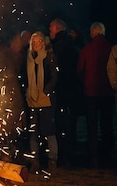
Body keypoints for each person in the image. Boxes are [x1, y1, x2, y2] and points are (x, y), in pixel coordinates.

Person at [77, 22, 114, 168]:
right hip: (107, 93)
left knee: (92, 126)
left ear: (93, 32)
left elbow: (80, 71)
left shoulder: (87, 50)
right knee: (107, 125)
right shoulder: (111, 49)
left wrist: (85, 82)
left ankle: (93, 157)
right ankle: (108, 154)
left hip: (91, 93)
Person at [21, 31, 59, 173]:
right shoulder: (29, 58)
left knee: (49, 131)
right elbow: (25, 76)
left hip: (46, 100)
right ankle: (35, 160)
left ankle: (52, 159)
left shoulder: (49, 57)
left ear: (43, 43)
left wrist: (45, 91)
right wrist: (28, 91)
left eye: (38, 42)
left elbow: (54, 77)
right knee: (34, 131)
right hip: (32, 100)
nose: (36, 44)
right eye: (33, 42)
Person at [48, 18, 81, 168]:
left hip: (63, 92)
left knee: (63, 126)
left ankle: (65, 158)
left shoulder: (60, 46)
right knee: (69, 126)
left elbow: (59, 71)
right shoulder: (70, 44)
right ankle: (69, 156)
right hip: (72, 92)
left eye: (51, 28)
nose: (49, 31)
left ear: (57, 28)